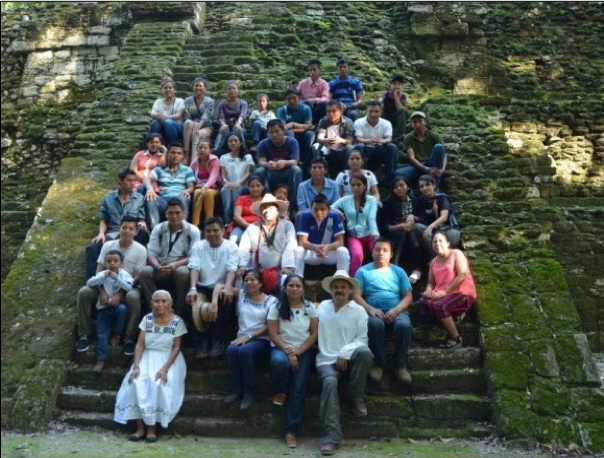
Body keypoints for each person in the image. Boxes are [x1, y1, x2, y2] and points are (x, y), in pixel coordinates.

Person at [114, 290, 187, 442]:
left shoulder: (177, 321)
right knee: (135, 382)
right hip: (147, 357)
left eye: (163, 301)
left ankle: (152, 428)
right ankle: (140, 428)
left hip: (168, 359)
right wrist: (136, 366)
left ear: (170, 303)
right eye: (156, 301)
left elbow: (176, 348)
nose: (160, 304)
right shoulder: (147, 319)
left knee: (158, 384)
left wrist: (165, 369)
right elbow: (140, 345)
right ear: (152, 303)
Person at [316, 270, 372, 456]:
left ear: (350, 290)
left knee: (365, 353)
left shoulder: (359, 311)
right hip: (325, 360)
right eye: (336, 287)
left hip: (349, 359)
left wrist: (344, 352)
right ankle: (331, 437)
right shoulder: (321, 307)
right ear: (331, 290)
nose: (339, 290)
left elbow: (362, 339)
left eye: (343, 287)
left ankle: (354, 394)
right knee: (330, 383)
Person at [77, 216, 147, 357]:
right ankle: (84, 335)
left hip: (128, 286)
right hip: (105, 284)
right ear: (119, 228)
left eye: (131, 228)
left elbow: (137, 277)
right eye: (124, 227)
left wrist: (120, 294)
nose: (127, 231)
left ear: (136, 231)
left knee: (134, 297)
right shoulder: (108, 245)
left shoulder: (141, 250)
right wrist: (101, 291)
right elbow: (99, 270)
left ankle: (129, 338)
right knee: (84, 292)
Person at [268, 274, 318, 449]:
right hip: (281, 348)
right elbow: (272, 333)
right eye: (291, 286)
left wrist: (298, 351)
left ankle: (290, 431)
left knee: (298, 388)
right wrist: (289, 351)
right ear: (285, 288)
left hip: (304, 350)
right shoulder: (276, 306)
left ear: (303, 288)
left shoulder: (310, 307)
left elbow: (314, 333)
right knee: (279, 363)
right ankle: (282, 390)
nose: (295, 289)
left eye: (298, 286)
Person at [353, 238, 413, 384]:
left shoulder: (399, 271)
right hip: (373, 311)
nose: (381, 253)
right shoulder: (363, 271)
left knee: (404, 326)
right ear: (372, 252)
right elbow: (356, 295)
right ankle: (378, 364)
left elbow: (408, 296)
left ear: (391, 254)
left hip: (397, 311)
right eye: (377, 249)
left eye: (385, 250)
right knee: (374, 325)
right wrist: (371, 309)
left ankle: (400, 365)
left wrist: (395, 310)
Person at [223, 269, 278, 410]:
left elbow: (270, 326)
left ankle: (249, 393)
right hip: (242, 338)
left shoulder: (271, 301)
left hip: (261, 339)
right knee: (231, 350)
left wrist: (250, 336)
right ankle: (237, 390)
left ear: (260, 283)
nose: (249, 282)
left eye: (253, 279)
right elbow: (219, 287)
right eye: (246, 280)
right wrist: (213, 303)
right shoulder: (242, 294)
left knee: (244, 352)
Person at [185, 217, 238, 359]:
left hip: (221, 287)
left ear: (223, 231)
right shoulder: (199, 246)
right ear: (204, 232)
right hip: (202, 287)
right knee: (190, 300)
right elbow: (194, 267)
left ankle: (217, 339)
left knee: (226, 301)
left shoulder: (231, 246)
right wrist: (193, 288)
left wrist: (227, 288)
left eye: (216, 230)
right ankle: (201, 340)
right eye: (208, 231)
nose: (212, 234)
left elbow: (231, 269)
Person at [139, 198, 201, 316]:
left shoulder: (193, 231)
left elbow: (194, 256)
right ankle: (154, 309)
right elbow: (151, 253)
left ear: (184, 214)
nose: (174, 216)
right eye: (170, 213)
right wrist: (157, 266)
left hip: (180, 267)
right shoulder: (159, 228)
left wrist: (176, 264)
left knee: (183, 272)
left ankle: (179, 311)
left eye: (177, 213)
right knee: (144, 271)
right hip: (161, 267)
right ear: (166, 214)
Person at [85, 168, 148, 280]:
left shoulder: (139, 198)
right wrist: (101, 233)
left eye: (134, 180)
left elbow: (142, 218)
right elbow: (104, 219)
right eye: (129, 180)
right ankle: (93, 280)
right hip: (112, 233)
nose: (132, 183)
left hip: (129, 232)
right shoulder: (108, 198)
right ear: (120, 180)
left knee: (141, 231)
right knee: (92, 248)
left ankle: (135, 278)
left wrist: (142, 224)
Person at [418, 232, 477, 348]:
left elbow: (462, 276)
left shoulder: (456, 254)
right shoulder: (433, 262)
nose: (437, 244)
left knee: (439, 306)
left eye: (440, 241)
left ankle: (456, 338)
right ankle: (455, 316)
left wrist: (444, 292)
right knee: (423, 301)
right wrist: (429, 290)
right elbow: (431, 282)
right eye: (434, 241)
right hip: (442, 293)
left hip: (461, 291)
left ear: (448, 243)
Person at [238, 194, 297, 295]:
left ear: (278, 211)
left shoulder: (287, 225)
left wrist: (287, 266)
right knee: (239, 278)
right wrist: (242, 265)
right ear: (260, 212)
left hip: (280, 269)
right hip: (256, 270)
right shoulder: (252, 227)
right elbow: (244, 248)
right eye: (264, 208)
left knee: (286, 280)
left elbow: (290, 245)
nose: (267, 210)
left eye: (270, 208)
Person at [86, 250, 133, 373]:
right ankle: (100, 360)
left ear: (121, 263)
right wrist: (103, 277)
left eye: (115, 261)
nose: (112, 264)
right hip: (104, 308)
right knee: (101, 333)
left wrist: (116, 278)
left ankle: (117, 334)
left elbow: (129, 287)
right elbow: (89, 282)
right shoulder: (102, 274)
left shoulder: (124, 274)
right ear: (105, 263)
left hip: (118, 306)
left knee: (123, 310)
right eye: (109, 261)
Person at [331, 173, 379, 277]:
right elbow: (329, 208)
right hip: (353, 236)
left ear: (365, 186)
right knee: (357, 255)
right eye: (353, 185)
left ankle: (381, 279)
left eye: (359, 185)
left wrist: (376, 235)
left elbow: (371, 218)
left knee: (379, 253)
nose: (355, 188)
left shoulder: (371, 200)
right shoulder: (345, 200)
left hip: (370, 235)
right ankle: (353, 282)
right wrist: (338, 212)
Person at [294, 194, 350, 277]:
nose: (319, 212)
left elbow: (340, 242)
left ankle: (341, 278)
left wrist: (327, 248)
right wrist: (315, 248)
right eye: (315, 209)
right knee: (298, 250)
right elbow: (302, 242)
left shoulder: (335, 216)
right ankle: (298, 278)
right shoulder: (305, 215)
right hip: (312, 253)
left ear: (329, 209)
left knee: (343, 251)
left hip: (329, 253)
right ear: (311, 208)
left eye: (323, 209)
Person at [378, 177, 421, 281]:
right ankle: (394, 265)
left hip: (412, 232)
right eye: (395, 187)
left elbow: (423, 219)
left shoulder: (416, 201)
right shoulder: (387, 203)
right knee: (401, 233)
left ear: (408, 187)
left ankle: (417, 269)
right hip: (394, 234)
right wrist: (399, 227)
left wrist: (414, 218)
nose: (399, 189)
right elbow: (384, 227)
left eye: (402, 185)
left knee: (411, 232)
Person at [255, 119, 303, 212]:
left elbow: (295, 160)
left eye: (277, 131)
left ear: (283, 131)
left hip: (287, 172)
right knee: (259, 171)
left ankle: (293, 208)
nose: (274, 135)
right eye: (271, 132)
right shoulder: (263, 143)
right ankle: (266, 204)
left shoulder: (292, 142)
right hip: (271, 173)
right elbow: (261, 161)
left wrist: (285, 162)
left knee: (297, 170)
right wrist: (268, 164)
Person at [143, 143, 195, 229]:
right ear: (168, 155)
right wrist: (149, 189)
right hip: (163, 199)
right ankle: (155, 229)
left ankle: (183, 227)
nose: (175, 155)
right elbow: (146, 178)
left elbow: (191, 187)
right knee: (150, 199)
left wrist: (187, 190)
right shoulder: (160, 170)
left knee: (184, 197)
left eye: (179, 153)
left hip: (179, 197)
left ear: (182, 156)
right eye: (173, 152)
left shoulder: (187, 170)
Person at [412, 174, 461, 258]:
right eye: (421, 186)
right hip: (435, 231)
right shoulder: (421, 201)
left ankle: (439, 260)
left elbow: (444, 217)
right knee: (417, 228)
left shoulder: (442, 198)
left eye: (427, 185)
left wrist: (430, 227)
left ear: (434, 185)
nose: (424, 188)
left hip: (450, 231)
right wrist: (412, 216)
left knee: (434, 236)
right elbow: (422, 219)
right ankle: (436, 259)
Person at [353, 100, 398, 188]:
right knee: (359, 146)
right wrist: (369, 141)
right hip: (366, 150)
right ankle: (361, 178)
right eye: (371, 111)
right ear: (366, 111)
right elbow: (358, 138)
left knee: (392, 147)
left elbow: (389, 138)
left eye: (376, 111)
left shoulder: (386, 123)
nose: (373, 114)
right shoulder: (359, 122)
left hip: (380, 149)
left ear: (381, 112)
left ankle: (388, 181)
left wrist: (382, 141)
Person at [395, 111, 446, 188]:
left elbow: (444, 155)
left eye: (420, 121)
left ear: (425, 122)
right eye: (414, 122)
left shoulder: (434, 136)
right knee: (398, 173)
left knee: (439, 147)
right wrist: (426, 169)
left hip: (432, 163)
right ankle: (410, 195)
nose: (417, 124)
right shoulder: (408, 138)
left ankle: (435, 187)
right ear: (411, 124)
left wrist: (442, 169)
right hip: (417, 166)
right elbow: (411, 158)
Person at [313, 100, 355, 179]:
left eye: (334, 111)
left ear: (341, 111)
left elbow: (350, 141)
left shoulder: (347, 122)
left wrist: (340, 140)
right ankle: (323, 175)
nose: (331, 114)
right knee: (315, 146)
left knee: (350, 148)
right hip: (328, 151)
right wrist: (327, 140)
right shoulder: (323, 121)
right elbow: (319, 138)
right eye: (328, 111)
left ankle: (345, 175)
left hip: (342, 151)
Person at [220, 134, 255, 225]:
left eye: (235, 140)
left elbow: (248, 173)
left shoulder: (247, 157)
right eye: (230, 141)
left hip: (243, 185)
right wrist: (226, 182)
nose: (233, 143)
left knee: (236, 190)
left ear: (240, 143)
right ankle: (227, 221)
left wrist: (238, 183)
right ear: (227, 143)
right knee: (224, 189)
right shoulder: (224, 157)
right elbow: (222, 174)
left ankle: (236, 219)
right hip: (228, 184)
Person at [277, 88, 315, 170]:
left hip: (302, 134)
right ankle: (292, 159)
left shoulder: (306, 109)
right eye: (289, 99)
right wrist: (299, 127)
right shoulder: (282, 110)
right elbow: (282, 129)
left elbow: (309, 126)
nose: (292, 101)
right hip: (287, 136)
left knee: (310, 134)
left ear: (299, 98)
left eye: (294, 98)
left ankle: (306, 163)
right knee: (290, 133)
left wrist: (292, 124)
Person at [190, 141, 221, 228]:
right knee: (197, 192)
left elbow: (214, 176)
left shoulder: (215, 160)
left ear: (210, 150)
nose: (202, 150)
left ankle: (209, 223)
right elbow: (189, 175)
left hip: (213, 188)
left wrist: (205, 187)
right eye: (200, 148)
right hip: (199, 188)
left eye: (205, 148)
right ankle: (195, 225)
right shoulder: (194, 162)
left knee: (206, 192)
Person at [183, 77, 215, 162]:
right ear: (193, 87)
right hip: (192, 124)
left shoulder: (210, 101)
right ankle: (186, 154)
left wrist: (198, 127)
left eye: (200, 86)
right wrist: (194, 126)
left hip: (206, 127)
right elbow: (187, 116)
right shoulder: (187, 100)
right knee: (188, 122)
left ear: (205, 88)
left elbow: (206, 116)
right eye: (196, 85)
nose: (198, 88)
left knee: (196, 134)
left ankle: (193, 160)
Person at [227, 175, 265, 244]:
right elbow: (236, 216)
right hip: (242, 227)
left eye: (258, 186)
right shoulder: (242, 199)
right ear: (248, 187)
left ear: (263, 187)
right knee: (233, 240)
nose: (255, 188)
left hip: (262, 228)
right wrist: (249, 226)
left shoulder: (267, 200)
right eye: (252, 186)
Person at [149, 77, 185, 146]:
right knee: (155, 122)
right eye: (165, 88)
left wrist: (166, 117)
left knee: (167, 122)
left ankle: (173, 145)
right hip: (162, 127)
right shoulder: (158, 101)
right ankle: (152, 145)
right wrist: (157, 116)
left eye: (170, 88)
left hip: (176, 128)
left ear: (174, 90)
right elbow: (153, 113)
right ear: (162, 90)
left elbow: (178, 115)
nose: (167, 89)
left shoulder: (180, 101)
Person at [214, 81, 248, 154]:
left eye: (234, 88)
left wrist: (238, 123)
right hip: (226, 126)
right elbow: (220, 117)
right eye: (229, 89)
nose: (232, 90)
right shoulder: (222, 103)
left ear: (237, 90)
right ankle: (216, 151)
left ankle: (244, 151)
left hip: (239, 126)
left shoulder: (243, 103)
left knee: (237, 129)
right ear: (226, 91)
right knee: (224, 130)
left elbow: (242, 114)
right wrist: (223, 124)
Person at [297, 59, 331, 125]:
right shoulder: (302, 83)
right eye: (310, 70)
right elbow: (296, 95)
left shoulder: (324, 84)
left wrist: (315, 100)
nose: (312, 72)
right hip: (305, 109)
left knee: (325, 103)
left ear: (320, 71)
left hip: (318, 109)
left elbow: (325, 98)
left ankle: (321, 126)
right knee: (304, 103)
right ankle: (307, 125)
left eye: (314, 70)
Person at [379, 75, 407, 140]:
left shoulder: (403, 96)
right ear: (390, 86)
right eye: (394, 84)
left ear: (401, 86)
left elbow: (399, 108)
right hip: (386, 116)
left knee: (403, 109)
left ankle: (401, 133)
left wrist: (395, 96)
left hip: (397, 118)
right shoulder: (386, 94)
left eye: (399, 84)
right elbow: (380, 100)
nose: (396, 86)